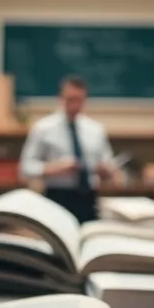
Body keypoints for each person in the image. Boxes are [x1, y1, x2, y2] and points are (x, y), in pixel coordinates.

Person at [19, 75, 118, 223]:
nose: (75, 105)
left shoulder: (95, 130)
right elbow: (25, 167)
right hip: (57, 197)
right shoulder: (43, 128)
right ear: (60, 98)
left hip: (88, 198)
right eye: (70, 99)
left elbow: (109, 165)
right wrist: (54, 168)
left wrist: (106, 170)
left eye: (79, 100)